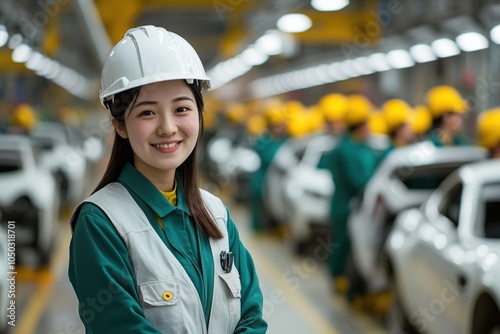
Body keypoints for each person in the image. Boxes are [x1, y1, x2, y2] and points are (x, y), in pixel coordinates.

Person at [68, 25, 267, 333]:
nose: (168, 127)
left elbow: (252, 315)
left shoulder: (216, 214)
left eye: (182, 108)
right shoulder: (101, 223)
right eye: (147, 113)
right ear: (120, 125)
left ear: (199, 115)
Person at [328, 94, 379, 300]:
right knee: (344, 247)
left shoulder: (365, 147)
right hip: (345, 208)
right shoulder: (345, 149)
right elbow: (357, 180)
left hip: (358, 208)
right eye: (367, 122)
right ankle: (342, 281)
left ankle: (350, 284)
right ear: (359, 125)